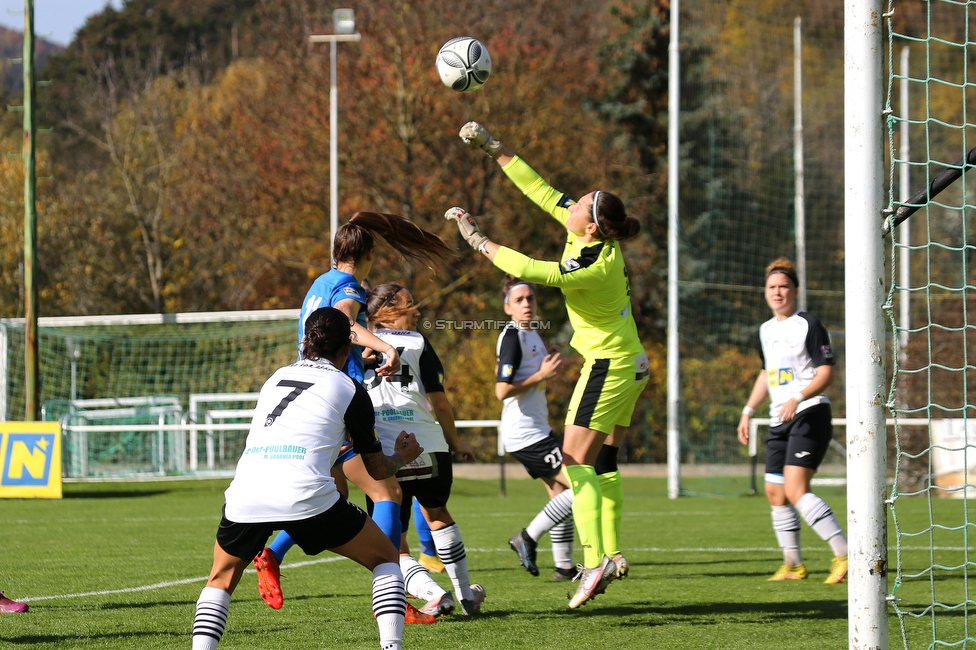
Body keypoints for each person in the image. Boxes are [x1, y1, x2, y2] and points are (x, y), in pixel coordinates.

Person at [447, 122, 649, 609]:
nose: (570, 204)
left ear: (592, 225)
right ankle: (613, 552)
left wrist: (477, 241)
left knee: (576, 463)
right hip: (632, 360)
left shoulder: (594, 261)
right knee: (604, 463)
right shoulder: (588, 230)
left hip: (609, 365)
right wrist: (495, 147)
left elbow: (533, 271)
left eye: (578, 204)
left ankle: (594, 560)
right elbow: (539, 189)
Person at [254, 212, 454, 622]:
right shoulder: (348, 286)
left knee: (337, 497)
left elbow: (329, 333)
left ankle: (270, 553)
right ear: (367, 255)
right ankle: (392, 592)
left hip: (312, 392)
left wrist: (361, 355)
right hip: (338, 404)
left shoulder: (318, 284)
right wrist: (385, 347)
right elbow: (344, 323)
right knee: (387, 493)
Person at [190, 307, 424, 650]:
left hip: (247, 492)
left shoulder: (275, 377)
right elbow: (376, 470)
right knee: (385, 559)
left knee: (220, 579)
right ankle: (392, 646)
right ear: (348, 348)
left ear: (305, 341)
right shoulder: (350, 388)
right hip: (305, 494)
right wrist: (401, 457)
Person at [363, 282, 486, 615]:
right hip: (429, 447)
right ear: (386, 311)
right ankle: (464, 596)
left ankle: (432, 593)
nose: (417, 311)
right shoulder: (418, 342)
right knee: (437, 514)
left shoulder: (357, 346)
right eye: (410, 304)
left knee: (396, 541)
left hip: (385, 455)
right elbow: (440, 403)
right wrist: (455, 441)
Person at [736, 258, 849, 584]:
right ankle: (794, 565)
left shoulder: (808, 325)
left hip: (809, 412)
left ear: (795, 291)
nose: (778, 292)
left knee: (796, 488)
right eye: (772, 287)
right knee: (775, 492)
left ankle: (845, 555)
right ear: (765, 293)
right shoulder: (766, 330)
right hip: (778, 419)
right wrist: (747, 410)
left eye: (784, 286)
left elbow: (826, 371)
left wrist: (797, 398)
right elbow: (765, 374)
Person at [495, 277, 576, 581]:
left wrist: (546, 359)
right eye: (519, 300)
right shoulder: (513, 335)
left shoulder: (531, 334)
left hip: (537, 428)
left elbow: (519, 371)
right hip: (526, 433)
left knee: (559, 494)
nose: (527, 304)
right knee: (579, 488)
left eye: (530, 298)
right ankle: (526, 537)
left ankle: (565, 568)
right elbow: (501, 390)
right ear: (507, 307)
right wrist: (541, 374)